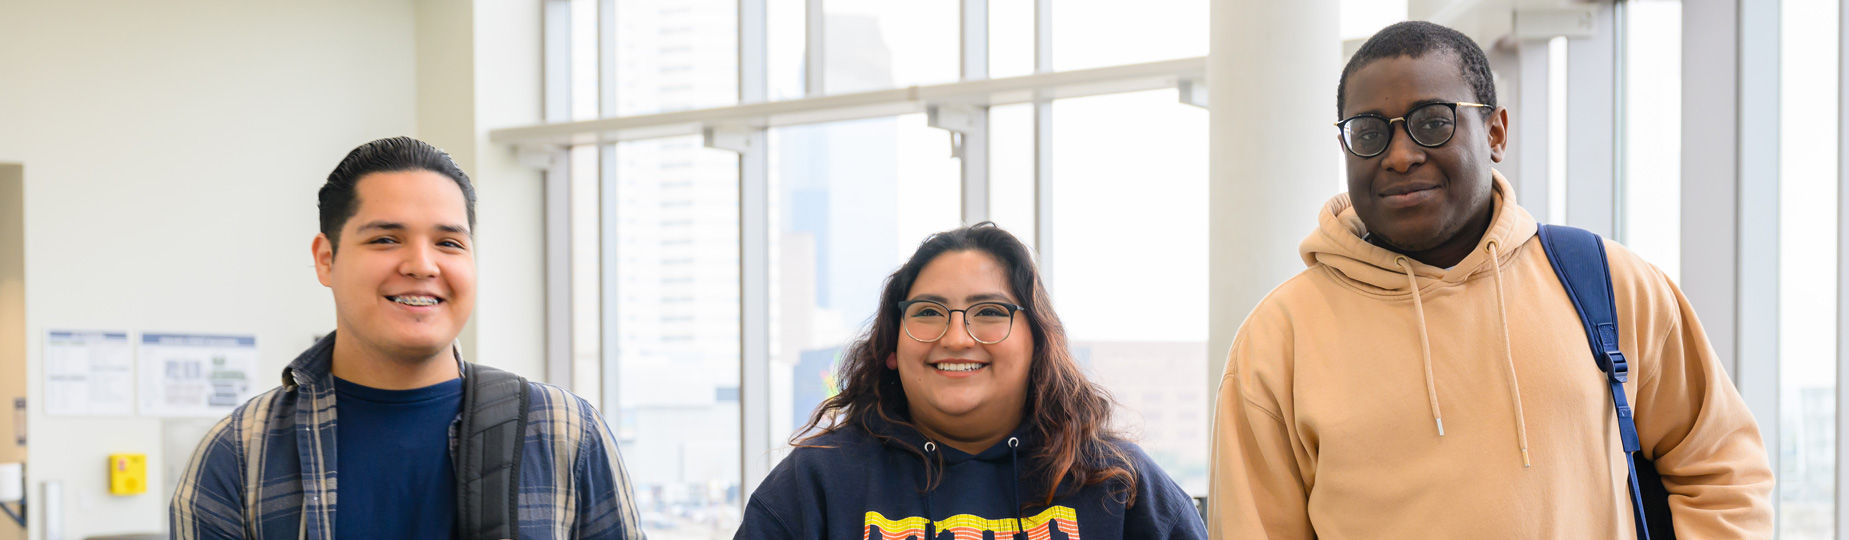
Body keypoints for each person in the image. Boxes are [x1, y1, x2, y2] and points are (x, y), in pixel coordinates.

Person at [1207, 21, 1773, 539]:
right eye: (1369, 132)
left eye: (1433, 122)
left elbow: (1722, 467)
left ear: (1495, 132)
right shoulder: (1278, 340)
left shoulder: (1608, 282)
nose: (1400, 155)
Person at [170, 137, 645, 540]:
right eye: (385, 239)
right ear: (326, 260)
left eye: (449, 243)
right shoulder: (241, 451)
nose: (422, 265)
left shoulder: (564, 432)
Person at [738, 224, 1206, 540]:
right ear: (892, 349)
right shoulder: (819, 481)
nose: (957, 337)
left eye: (988, 312)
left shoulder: (1118, 481)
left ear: (1037, 341)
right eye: (927, 312)